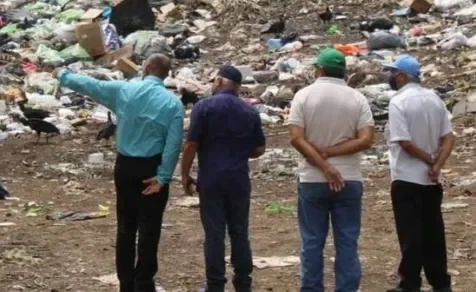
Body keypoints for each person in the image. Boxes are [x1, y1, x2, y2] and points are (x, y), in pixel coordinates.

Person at [57, 54, 184, 292]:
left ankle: (126, 282)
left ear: (146, 68)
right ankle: (144, 283)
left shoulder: (125, 91)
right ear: (166, 75)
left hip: (125, 166)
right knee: (150, 228)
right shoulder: (172, 103)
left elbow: (91, 86)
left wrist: (64, 76)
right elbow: (173, 143)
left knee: (126, 227)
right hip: (152, 168)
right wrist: (163, 177)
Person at [287, 48, 375, 292]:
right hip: (349, 178)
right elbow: (366, 139)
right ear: (343, 71)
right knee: (347, 241)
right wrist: (331, 158)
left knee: (312, 241)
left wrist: (323, 163)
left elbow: (296, 138)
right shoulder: (357, 98)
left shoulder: (304, 96)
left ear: (320, 69)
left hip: (312, 179)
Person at [180, 65, 266, 292]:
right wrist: (238, 151)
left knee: (214, 234)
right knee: (239, 231)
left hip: (211, 180)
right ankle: (243, 283)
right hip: (238, 180)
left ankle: (215, 285)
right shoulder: (250, 112)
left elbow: (191, 144)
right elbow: (259, 148)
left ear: (218, 81)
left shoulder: (204, 107)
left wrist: (184, 174)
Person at [383, 55, 455, 292]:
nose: (391, 77)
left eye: (393, 73)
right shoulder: (434, 98)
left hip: (406, 178)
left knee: (411, 235)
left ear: (402, 75)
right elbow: (448, 137)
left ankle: (410, 283)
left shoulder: (398, 102)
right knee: (434, 234)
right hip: (431, 181)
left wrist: (430, 160)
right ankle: (440, 283)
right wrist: (437, 165)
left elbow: (405, 143)